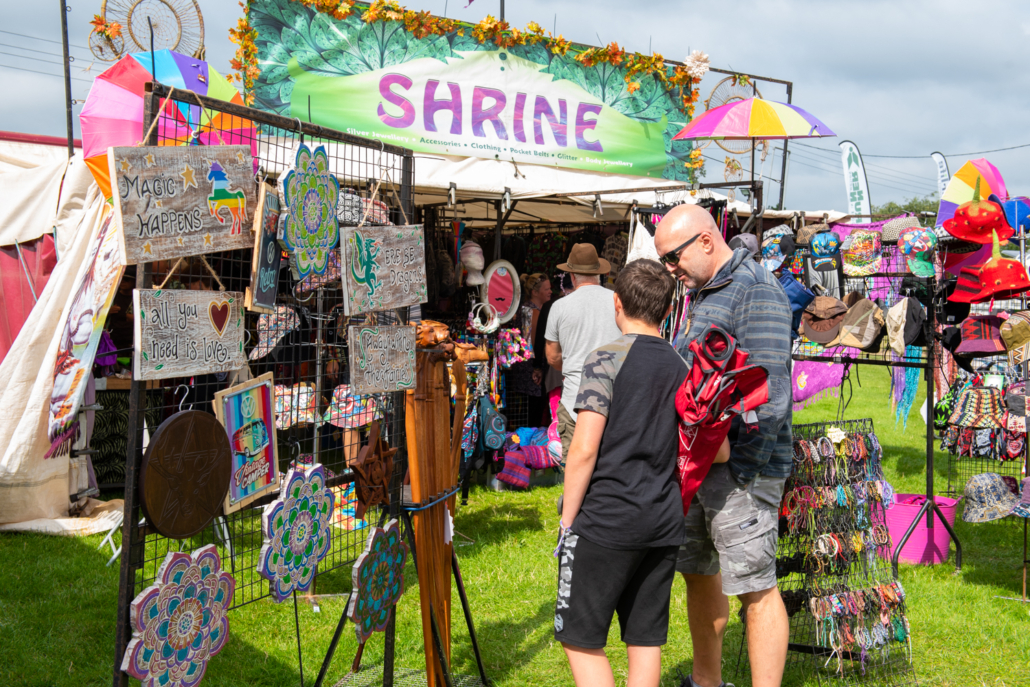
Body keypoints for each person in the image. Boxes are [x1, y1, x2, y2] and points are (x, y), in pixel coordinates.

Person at [653, 205, 793, 687]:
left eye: (673, 257)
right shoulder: (704, 291)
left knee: (755, 586)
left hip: (741, 470)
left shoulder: (756, 289)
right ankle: (706, 681)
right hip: (701, 466)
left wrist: (744, 471)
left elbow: (770, 393)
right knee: (698, 571)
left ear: (707, 241)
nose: (669, 269)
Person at [554, 259, 687, 687]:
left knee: (579, 638)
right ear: (667, 311)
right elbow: (712, 448)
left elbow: (584, 448)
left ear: (617, 303)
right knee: (644, 640)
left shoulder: (605, 359)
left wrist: (567, 519)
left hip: (607, 519)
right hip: (663, 520)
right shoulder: (682, 366)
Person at [545, 244, 622, 462]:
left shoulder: (559, 306)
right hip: (614, 397)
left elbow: (552, 356)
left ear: (571, 275)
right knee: (611, 467)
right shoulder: (618, 300)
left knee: (574, 470)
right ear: (600, 272)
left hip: (574, 399)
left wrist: (572, 363)